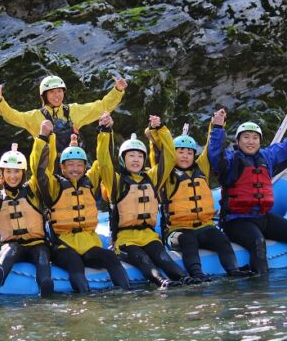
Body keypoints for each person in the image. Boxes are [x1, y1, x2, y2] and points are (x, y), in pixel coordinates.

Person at [208, 105, 287, 274]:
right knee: (258, 243)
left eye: (255, 137)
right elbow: (214, 154)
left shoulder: (267, 156)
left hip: (263, 218)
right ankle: (261, 292)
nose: (250, 141)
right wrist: (218, 128)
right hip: (237, 221)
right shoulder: (230, 160)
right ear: (238, 141)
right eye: (246, 137)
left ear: (260, 141)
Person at [33, 113, 130, 293]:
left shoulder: (90, 182)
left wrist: (105, 131)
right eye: (70, 165)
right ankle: (85, 299)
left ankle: (126, 294)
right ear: (62, 167)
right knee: (74, 262)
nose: (75, 169)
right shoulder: (55, 186)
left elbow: (103, 162)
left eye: (79, 165)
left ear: (85, 166)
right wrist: (43, 138)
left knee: (110, 257)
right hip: (63, 245)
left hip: (89, 244)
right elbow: (39, 170)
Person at [150, 121, 252, 282]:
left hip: (204, 226)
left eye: (189, 153)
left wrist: (215, 124)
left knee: (220, 238)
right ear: (173, 154)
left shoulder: (201, 169)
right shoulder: (166, 175)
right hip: (177, 231)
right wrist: (156, 132)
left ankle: (234, 270)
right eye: (181, 152)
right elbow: (163, 154)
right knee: (188, 240)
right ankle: (197, 274)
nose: (185, 156)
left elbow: (208, 147)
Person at [104, 116, 192, 288]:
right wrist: (105, 132)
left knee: (164, 258)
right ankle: (161, 281)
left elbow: (169, 156)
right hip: (125, 240)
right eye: (131, 156)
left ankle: (184, 278)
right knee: (143, 259)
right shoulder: (115, 181)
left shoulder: (152, 178)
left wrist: (160, 130)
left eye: (139, 156)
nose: (136, 159)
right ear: (123, 159)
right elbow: (104, 161)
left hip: (149, 236)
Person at [0, 143, 54, 297]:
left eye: (16, 171)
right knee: (10, 251)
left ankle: (45, 283)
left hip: (36, 244)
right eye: (8, 171)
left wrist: (43, 139)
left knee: (42, 255)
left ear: (23, 173)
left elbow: (41, 169)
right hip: (10, 244)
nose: (12, 176)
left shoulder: (33, 191)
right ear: (2, 173)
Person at [0, 75, 128, 158]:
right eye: (52, 92)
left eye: (59, 91)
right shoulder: (34, 117)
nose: (57, 95)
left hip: (74, 163)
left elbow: (101, 107)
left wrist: (117, 90)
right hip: (48, 167)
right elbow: (12, 116)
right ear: (44, 96)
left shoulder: (74, 110)